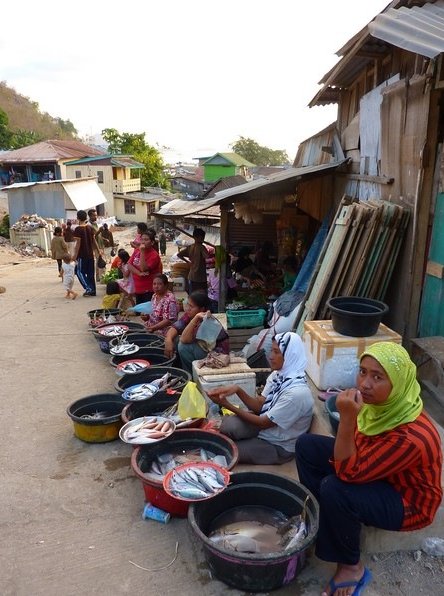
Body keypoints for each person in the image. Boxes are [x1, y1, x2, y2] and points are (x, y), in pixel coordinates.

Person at [295, 342, 443, 596]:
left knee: (335, 488)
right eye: (363, 372)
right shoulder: (383, 408)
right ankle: (323, 520)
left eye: (378, 377)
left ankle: (351, 567)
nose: (364, 384)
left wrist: (348, 419)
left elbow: (347, 473)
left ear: (398, 383)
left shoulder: (410, 437)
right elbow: (357, 452)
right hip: (382, 473)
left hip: (406, 501)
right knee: (307, 445)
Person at [207, 332, 313, 465]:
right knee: (228, 426)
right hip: (267, 429)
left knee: (225, 450)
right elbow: (260, 405)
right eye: (272, 351)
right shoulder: (279, 375)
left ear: (290, 355)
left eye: (276, 352)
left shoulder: (296, 393)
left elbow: (263, 422)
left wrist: (227, 404)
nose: (270, 356)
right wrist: (237, 389)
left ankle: (267, 452)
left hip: (279, 445)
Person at [164, 290, 229, 374]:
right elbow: (176, 327)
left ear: (202, 309)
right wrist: (168, 339)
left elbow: (184, 339)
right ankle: (181, 368)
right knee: (174, 339)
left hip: (217, 355)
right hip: (204, 349)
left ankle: (190, 374)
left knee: (183, 346)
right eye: (188, 305)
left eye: (191, 306)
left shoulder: (207, 321)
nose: (188, 309)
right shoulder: (190, 314)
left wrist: (195, 318)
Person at [73, 209, 102, 297]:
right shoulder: (90, 227)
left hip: (82, 255)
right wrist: (98, 251)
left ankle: (88, 288)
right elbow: (94, 241)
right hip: (90, 254)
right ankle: (93, 290)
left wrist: (74, 256)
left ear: (78, 218)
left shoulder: (78, 229)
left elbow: (78, 244)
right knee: (90, 273)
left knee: (79, 272)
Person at [128, 231, 161, 304]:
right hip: (138, 287)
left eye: (146, 240)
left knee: (146, 312)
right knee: (139, 311)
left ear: (152, 242)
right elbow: (129, 265)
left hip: (148, 289)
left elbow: (143, 269)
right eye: (142, 239)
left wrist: (142, 252)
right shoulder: (137, 251)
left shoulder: (154, 255)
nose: (143, 242)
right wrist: (139, 273)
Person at [177, 228, 209, 294]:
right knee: (200, 296)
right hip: (200, 278)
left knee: (193, 295)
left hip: (192, 276)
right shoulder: (201, 247)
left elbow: (179, 255)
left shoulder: (190, 247)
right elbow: (207, 256)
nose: (203, 239)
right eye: (202, 237)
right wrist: (188, 262)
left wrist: (188, 262)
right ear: (196, 237)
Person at [87, 208, 105, 282]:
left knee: (100, 261)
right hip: (96, 246)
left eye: (96, 215)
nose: (96, 217)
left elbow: (98, 235)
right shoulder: (89, 225)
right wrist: (99, 231)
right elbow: (92, 236)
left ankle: (99, 277)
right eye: (94, 215)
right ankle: (100, 277)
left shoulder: (95, 224)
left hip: (100, 245)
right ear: (90, 216)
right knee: (100, 261)